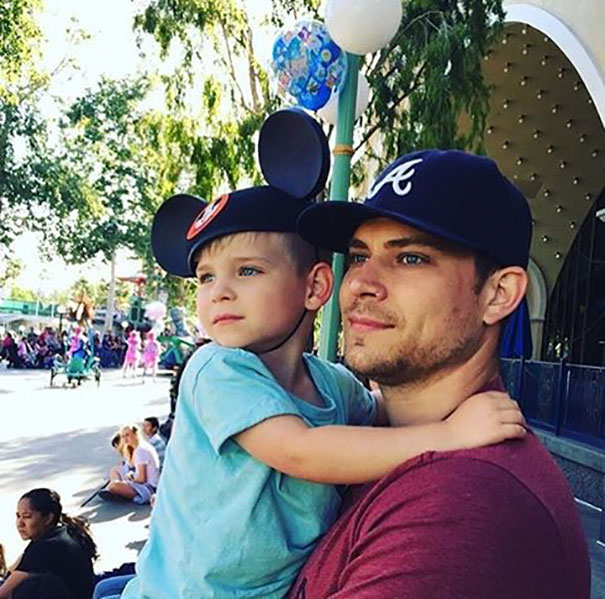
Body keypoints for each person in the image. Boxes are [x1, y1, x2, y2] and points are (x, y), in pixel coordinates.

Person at [115, 111, 525, 599]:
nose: (218, 292)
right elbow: (300, 451)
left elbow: (379, 414)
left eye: (247, 271)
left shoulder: (333, 386)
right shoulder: (217, 369)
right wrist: (449, 434)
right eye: (205, 277)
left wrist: (461, 424)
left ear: (314, 287)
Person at [286, 148, 591, 598]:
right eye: (357, 256)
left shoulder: (462, 506)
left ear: (498, 294)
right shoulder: (371, 436)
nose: (359, 284)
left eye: (410, 258)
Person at [0, 488, 96, 599]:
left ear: (48, 518)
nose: (20, 523)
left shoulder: (47, 546)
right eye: (18, 516)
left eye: (27, 517)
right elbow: (16, 569)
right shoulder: (63, 532)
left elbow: (3, 593)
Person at [99, 425, 160, 505]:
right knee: (115, 470)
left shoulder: (141, 450)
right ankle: (113, 491)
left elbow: (142, 479)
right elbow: (132, 467)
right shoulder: (136, 448)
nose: (125, 439)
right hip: (142, 484)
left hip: (148, 488)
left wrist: (129, 480)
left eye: (127, 435)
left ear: (135, 434)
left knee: (114, 485)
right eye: (123, 436)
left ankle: (115, 491)